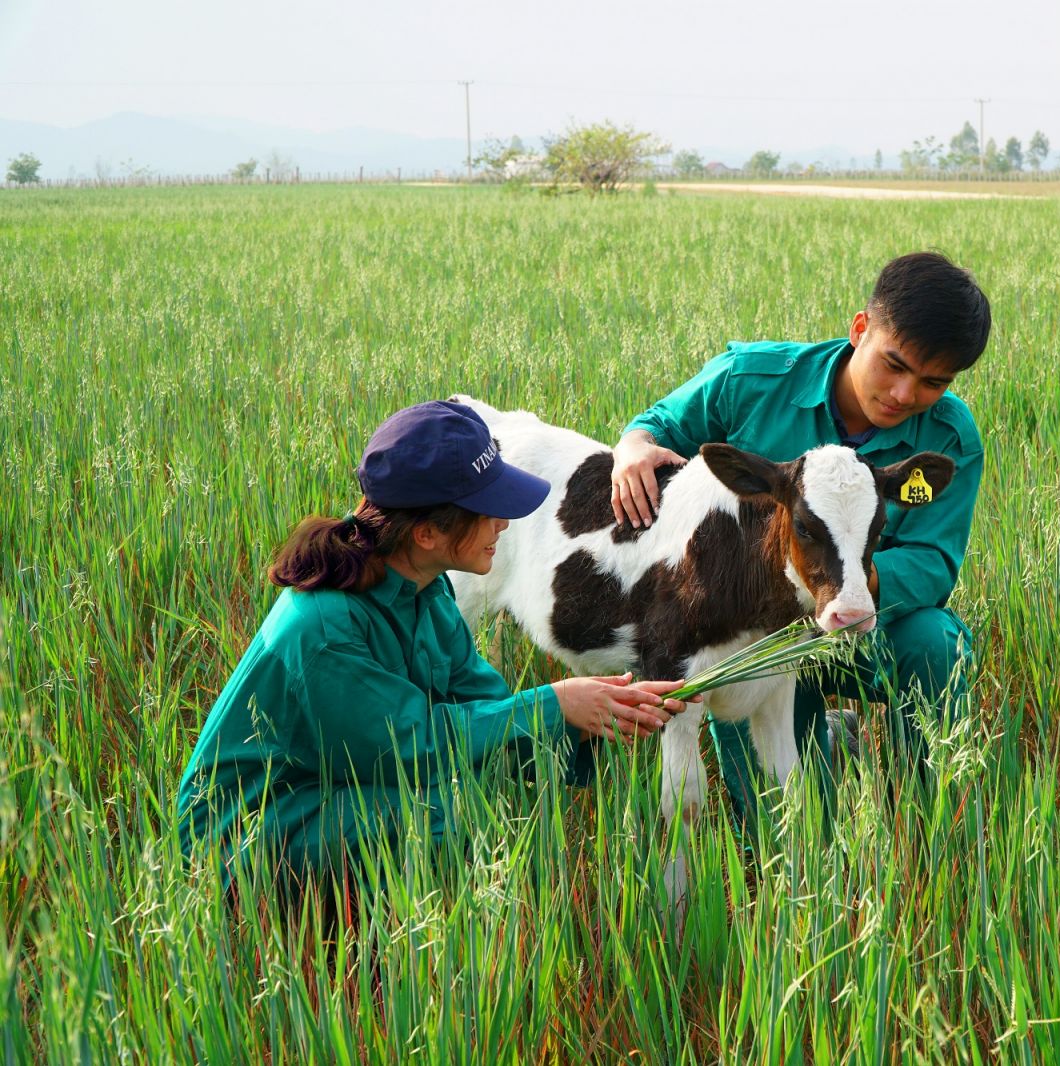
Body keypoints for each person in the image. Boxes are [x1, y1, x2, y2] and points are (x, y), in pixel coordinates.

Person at [176, 400, 692, 887]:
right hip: (251, 822)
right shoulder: (326, 629)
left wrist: (603, 713)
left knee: (479, 784)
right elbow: (413, 747)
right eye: (489, 510)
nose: (505, 524)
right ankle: (343, 945)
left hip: (329, 786)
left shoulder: (429, 590)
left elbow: (486, 710)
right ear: (426, 533)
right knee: (443, 814)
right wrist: (552, 705)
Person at [609, 251, 989, 823]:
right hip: (758, 637)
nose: (905, 395)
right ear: (861, 328)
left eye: (933, 382)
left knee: (938, 643)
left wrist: (844, 591)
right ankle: (828, 749)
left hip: (865, 627)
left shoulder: (950, 440)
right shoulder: (751, 381)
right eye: (894, 364)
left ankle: (928, 816)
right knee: (795, 821)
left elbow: (934, 562)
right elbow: (659, 426)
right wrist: (633, 445)